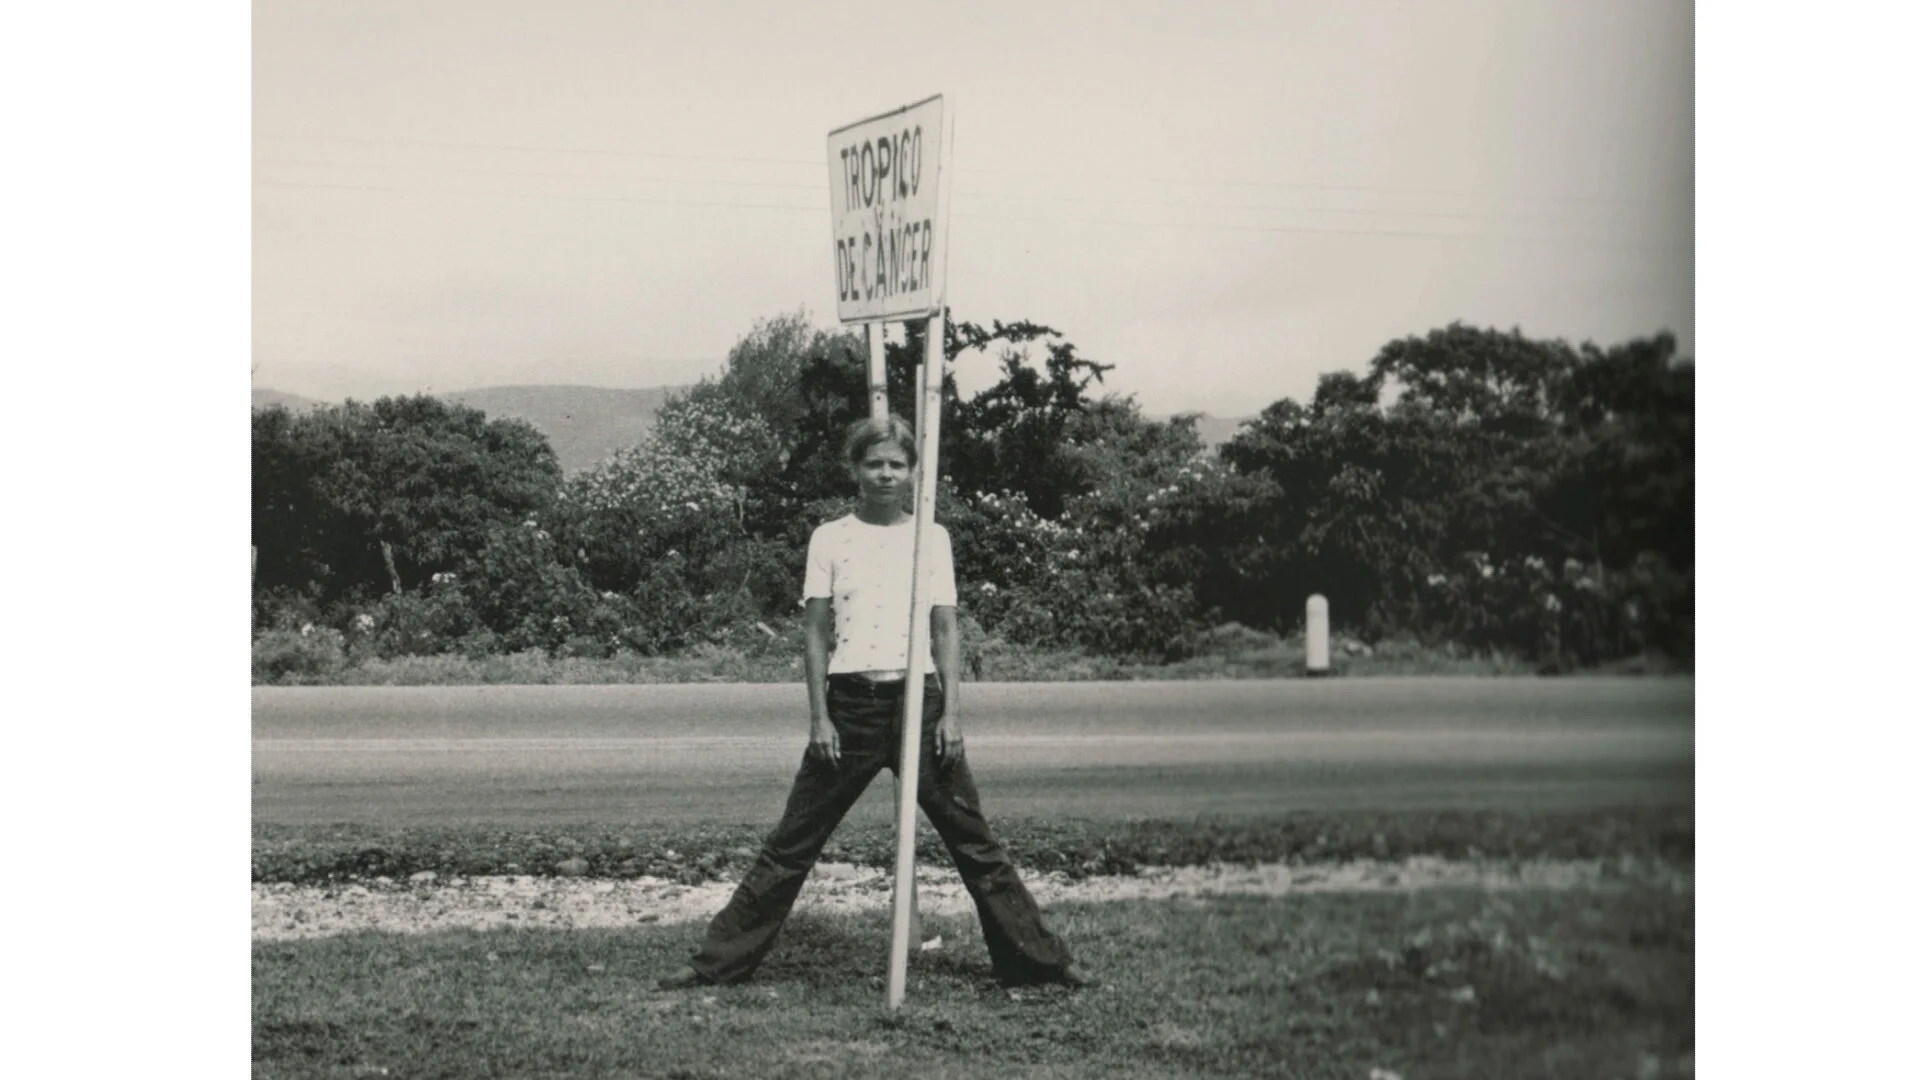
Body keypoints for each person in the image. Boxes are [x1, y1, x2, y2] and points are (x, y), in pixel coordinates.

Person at [658, 414, 1092, 991]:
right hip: (851, 708)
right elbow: (815, 632)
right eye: (874, 463)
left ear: (913, 472)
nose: (886, 474)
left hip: (922, 708)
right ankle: (715, 965)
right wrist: (820, 718)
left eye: (897, 464)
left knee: (976, 843)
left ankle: (1039, 965)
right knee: (791, 844)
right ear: (855, 470)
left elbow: (945, 630)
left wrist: (952, 715)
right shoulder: (829, 538)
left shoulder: (932, 538)